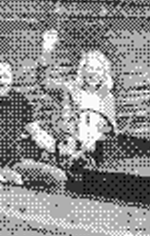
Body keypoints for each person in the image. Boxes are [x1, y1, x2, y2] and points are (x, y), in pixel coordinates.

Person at [0, 58, 67, 192]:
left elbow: (36, 133)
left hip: (13, 162)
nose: (2, 82)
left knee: (58, 176)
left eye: (6, 77)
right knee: (17, 180)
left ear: (12, 78)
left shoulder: (18, 100)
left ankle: (52, 208)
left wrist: (58, 149)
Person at [39, 32, 117, 169]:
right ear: (82, 71)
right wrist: (47, 51)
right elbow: (44, 82)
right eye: (89, 68)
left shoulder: (108, 97)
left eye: (98, 69)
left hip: (96, 150)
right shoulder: (70, 89)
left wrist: (96, 141)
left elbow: (111, 129)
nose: (93, 73)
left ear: (104, 73)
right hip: (72, 146)